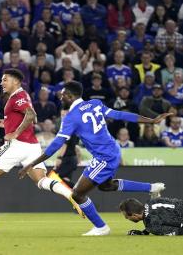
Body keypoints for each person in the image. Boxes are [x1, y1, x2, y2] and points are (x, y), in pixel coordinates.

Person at [19, 81, 170, 236]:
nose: (61, 97)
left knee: (77, 194)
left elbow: (56, 145)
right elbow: (119, 114)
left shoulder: (71, 117)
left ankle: (101, 227)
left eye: (63, 94)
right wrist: (150, 120)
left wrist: (31, 164)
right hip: (113, 150)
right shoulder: (95, 103)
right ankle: (152, 188)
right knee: (106, 186)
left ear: (70, 96)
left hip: (104, 157)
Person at [0, 69, 82, 231]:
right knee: (41, 181)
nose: (2, 83)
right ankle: (71, 194)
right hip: (32, 146)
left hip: (18, 144)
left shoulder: (18, 97)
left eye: (5, 80)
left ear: (15, 81)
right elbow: (31, 118)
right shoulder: (22, 97)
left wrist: (15, 132)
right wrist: (4, 124)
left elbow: (31, 115)